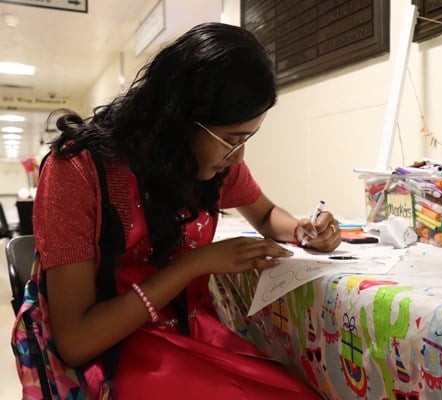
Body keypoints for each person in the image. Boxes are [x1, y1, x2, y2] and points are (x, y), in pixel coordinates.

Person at [33, 22, 341, 399]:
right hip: (115, 351)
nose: (239, 156)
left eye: (247, 139)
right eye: (232, 139)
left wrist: (303, 230)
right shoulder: (78, 170)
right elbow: (76, 342)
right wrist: (195, 264)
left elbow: (264, 215)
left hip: (189, 331)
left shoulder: (209, 162)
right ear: (179, 118)